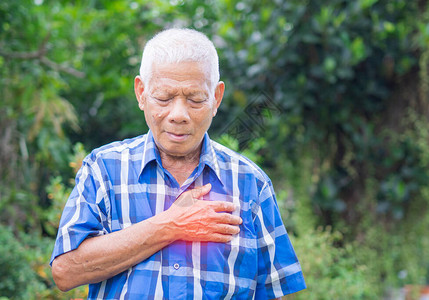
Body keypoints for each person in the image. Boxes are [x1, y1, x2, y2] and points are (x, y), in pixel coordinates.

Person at [51, 28, 306, 299]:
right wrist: (171, 225)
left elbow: (276, 291)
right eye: (164, 98)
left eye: (195, 99)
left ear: (216, 98)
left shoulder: (251, 183)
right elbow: (66, 271)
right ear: (141, 93)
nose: (179, 114)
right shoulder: (103, 169)